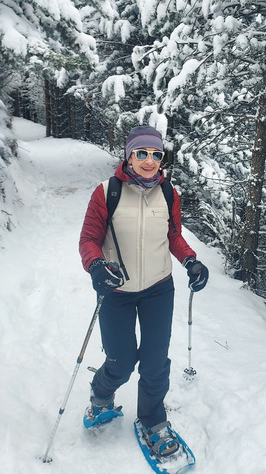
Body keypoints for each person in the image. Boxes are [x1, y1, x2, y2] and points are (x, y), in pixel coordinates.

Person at [79, 125, 208, 457]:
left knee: (154, 362)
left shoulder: (168, 194)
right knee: (120, 360)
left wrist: (190, 261)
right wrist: (95, 265)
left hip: (158, 289)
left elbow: (173, 236)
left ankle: (153, 420)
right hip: (116, 290)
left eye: (156, 155)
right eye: (141, 154)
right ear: (129, 155)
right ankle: (101, 397)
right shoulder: (106, 192)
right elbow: (89, 240)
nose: (149, 161)